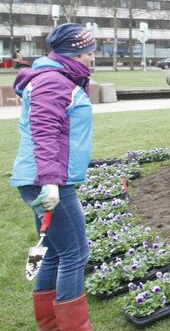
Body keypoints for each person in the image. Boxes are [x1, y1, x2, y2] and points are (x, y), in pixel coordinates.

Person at [10, 23, 96, 330]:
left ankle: (50, 325)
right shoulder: (52, 82)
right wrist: (50, 181)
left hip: (46, 177)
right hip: (49, 180)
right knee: (75, 253)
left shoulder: (58, 78)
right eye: (88, 52)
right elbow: (45, 133)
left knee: (52, 252)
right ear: (73, 52)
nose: (91, 58)